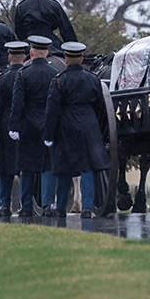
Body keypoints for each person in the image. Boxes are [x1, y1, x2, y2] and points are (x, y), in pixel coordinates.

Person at [43, 41, 112, 218]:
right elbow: (100, 107)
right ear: (81, 59)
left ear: (66, 59)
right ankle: (87, 207)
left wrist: (49, 133)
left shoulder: (58, 80)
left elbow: (52, 109)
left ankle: (60, 207)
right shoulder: (93, 79)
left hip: (66, 125)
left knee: (64, 168)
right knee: (87, 167)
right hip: (88, 124)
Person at [9, 35, 60, 217]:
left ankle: (26, 206)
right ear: (46, 52)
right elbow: (56, 103)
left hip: (28, 124)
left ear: (30, 52)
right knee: (47, 166)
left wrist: (14, 126)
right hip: (48, 124)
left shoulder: (23, 74)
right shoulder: (55, 73)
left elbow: (18, 103)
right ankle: (47, 204)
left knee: (27, 167)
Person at [0, 40, 29, 217]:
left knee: (4, 168)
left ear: (9, 56)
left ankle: (5, 204)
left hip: (5, 127)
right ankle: (25, 204)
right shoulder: (27, 75)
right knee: (25, 168)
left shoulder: (0, 79)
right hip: (25, 125)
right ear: (25, 57)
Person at [13, 0, 77, 56]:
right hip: (52, 46)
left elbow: (18, 30)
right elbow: (66, 29)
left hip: (29, 46)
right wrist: (74, 49)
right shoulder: (54, 5)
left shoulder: (21, 7)